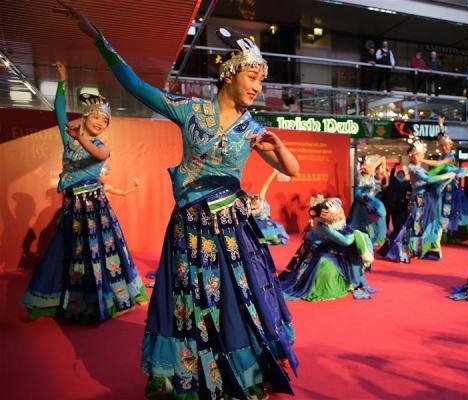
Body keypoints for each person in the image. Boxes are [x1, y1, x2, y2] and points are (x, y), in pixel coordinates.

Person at [60, 3, 300, 399]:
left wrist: (280, 146)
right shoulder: (190, 111)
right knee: (187, 298)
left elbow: (291, 169)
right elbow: (136, 86)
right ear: (229, 74)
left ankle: (240, 369)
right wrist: (99, 39)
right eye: (252, 76)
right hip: (189, 225)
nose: (258, 86)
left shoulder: (252, 129)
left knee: (234, 296)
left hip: (230, 228)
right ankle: (190, 371)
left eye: (261, 80)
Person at [21, 61, 148, 324]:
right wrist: (62, 82)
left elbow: (99, 154)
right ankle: (55, 300)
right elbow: (59, 112)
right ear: (86, 116)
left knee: (102, 253)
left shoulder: (101, 145)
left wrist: (81, 137)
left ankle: (112, 298)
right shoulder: (69, 139)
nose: (101, 122)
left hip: (95, 208)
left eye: (105, 120)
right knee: (68, 252)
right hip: (72, 206)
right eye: (97, 117)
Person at [278, 196, 374, 301]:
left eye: (339, 210)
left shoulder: (335, 213)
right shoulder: (323, 225)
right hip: (315, 250)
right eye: (337, 212)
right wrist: (357, 234)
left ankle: (349, 280)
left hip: (327, 246)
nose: (340, 213)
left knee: (349, 252)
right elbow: (345, 241)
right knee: (326, 262)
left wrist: (326, 202)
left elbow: (338, 201)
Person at [378, 138, 456, 263]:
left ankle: (419, 250)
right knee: (413, 226)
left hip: (424, 199)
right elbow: (428, 179)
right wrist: (446, 176)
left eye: (421, 154)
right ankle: (401, 251)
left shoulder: (419, 168)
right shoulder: (413, 168)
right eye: (418, 154)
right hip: (419, 199)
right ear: (412, 155)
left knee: (419, 226)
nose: (421, 156)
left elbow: (430, 178)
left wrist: (446, 179)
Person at [421, 117, 468, 241]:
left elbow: (439, 165)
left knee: (451, 210)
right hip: (441, 186)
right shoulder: (442, 155)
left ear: (450, 145)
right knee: (441, 210)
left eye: (445, 145)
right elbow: (442, 137)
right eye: (441, 145)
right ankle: (441, 234)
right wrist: (441, 125)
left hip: (450, 188)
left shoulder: (450, 157)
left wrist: (420, 160)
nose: (443, 147)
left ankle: (451, 235)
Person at [348, 154, 387, 247]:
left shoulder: (372, 176)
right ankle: (363, 244)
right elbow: (357, 194)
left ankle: (372, 242)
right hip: (363, 206)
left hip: (373, 205)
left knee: (378, 223)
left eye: (370, 166)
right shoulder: (361, 178)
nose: (371, 167)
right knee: (362, 226)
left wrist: (374, 165)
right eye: (367, 166)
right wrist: (366, 203)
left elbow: (383, 158)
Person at [250, 169, 290, 245]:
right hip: (262, 228)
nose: (257, 197)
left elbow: (267, 184)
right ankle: (261, 240)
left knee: (281, 232)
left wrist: (274, 173)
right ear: (253, 203)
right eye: (255, 198)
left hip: (269, 224)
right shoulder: (252, 209)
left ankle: (264, 240)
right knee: (276, 238)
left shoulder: (262, 200)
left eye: (257, 197)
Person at [382, 163, 412, 239]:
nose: (401, 175)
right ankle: (394, 235)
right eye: (399, 173)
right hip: (394, 205)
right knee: (395, 221)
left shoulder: (407, 183)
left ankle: (399, 235)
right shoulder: (394, 181)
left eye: (402, 174)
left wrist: (407, 201)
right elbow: (392, 176)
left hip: (403, 205)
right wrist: (394, 167)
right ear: (397, 174)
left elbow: (409, 193)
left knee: (401, 221)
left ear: (404, 175)